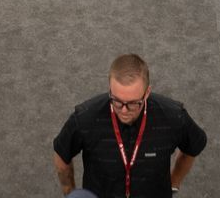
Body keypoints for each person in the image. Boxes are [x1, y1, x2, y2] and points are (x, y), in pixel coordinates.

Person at [53, 53, 207, 198]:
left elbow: (192, 147)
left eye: (133, 103)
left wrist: (174, 183)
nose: (124, 110)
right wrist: (70, 193)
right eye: (117, 101)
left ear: (147, 93)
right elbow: (62, 153)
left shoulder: (173, 117)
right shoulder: (86, 118)